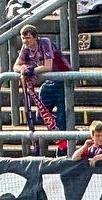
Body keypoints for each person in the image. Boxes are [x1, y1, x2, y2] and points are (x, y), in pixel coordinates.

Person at [14, 23, 70, 152]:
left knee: (62, 118)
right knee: (40, 116)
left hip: (63, 80)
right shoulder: (25, 47)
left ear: (35, 37)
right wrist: (24, 69)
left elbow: (48, 66)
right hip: (50, 81)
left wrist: (32, 70)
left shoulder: (45, 43)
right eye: (23, 38)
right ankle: (65, 131)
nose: (25, 41)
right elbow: (16, 66)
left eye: (28, 38)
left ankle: (63, 148)